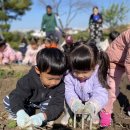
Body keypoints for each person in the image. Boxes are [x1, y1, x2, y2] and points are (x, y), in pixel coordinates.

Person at [3, 48, 67, 129]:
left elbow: (57, 104)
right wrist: (20, 112)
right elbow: (17, 96)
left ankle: (43, 119)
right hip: (28, 103)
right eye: (50, 79)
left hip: (43, 104)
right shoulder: (28, 80)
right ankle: (17, 116)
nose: (53, 82)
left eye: (58, 79)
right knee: (8, 100)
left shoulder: (61, 85)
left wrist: (43, 116)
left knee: (49, 105)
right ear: (38, 70)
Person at [61, 43, 109, 126]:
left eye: (85, 72)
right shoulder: (69, 76)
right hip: (75, 100)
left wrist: (93, 105)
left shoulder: (97, 74)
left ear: (94, 67)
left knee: (99, 103)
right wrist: (75, 104)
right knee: (64, 98)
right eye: (76, 71)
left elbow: (100, 93)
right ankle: (68, 113)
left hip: (91, 101)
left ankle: (93, 113)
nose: (80, 75)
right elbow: (69, 91)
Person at [101, 29, 130, 127]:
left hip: (124, 60)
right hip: (114, 61)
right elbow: (129, 63)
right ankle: (106, 113)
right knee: (112, 91)